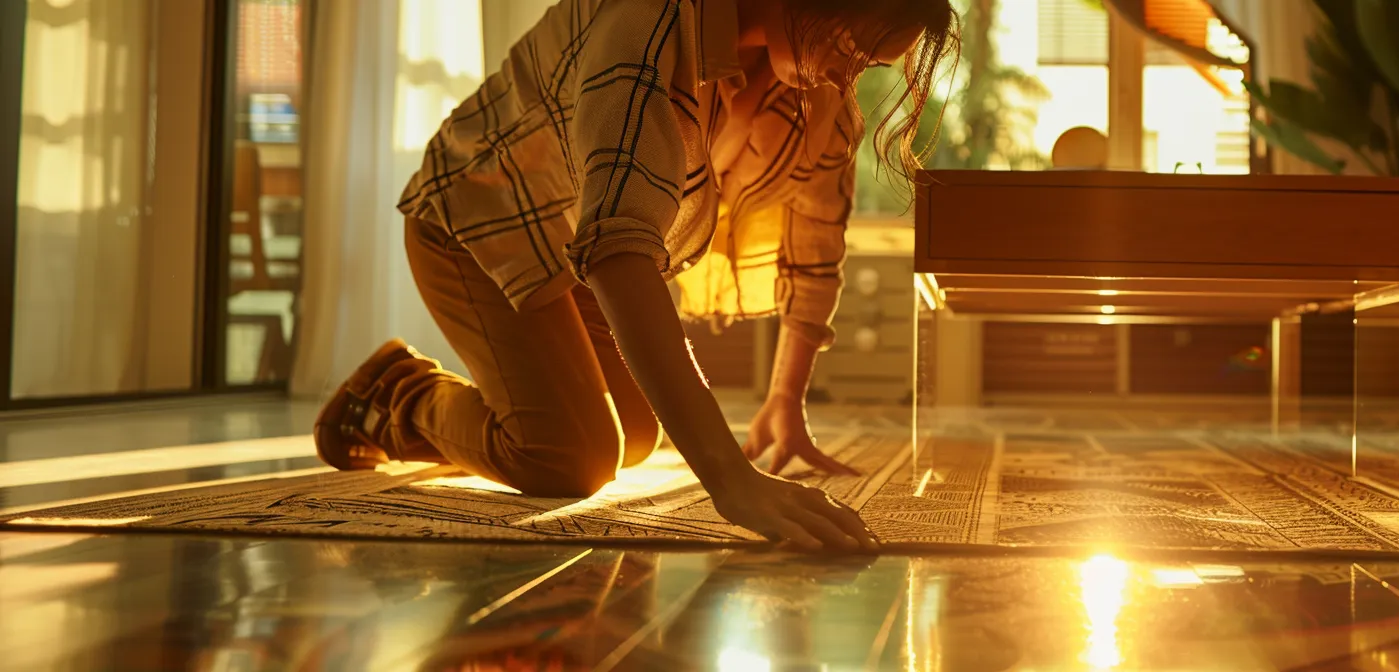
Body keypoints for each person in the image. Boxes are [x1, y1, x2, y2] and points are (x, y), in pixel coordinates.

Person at [311, 0, 957, 553]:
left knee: (640, 436)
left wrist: (786, 402)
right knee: (573, 457)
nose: (847, 79)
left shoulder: (815, 99)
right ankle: (397, 397)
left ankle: (466, 410)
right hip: (476, 217)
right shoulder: (648, 22)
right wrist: (731, 480)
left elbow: (816, 244)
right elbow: (619, 253)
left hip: (567, 245)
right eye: (850, 47)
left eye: (867, 66)